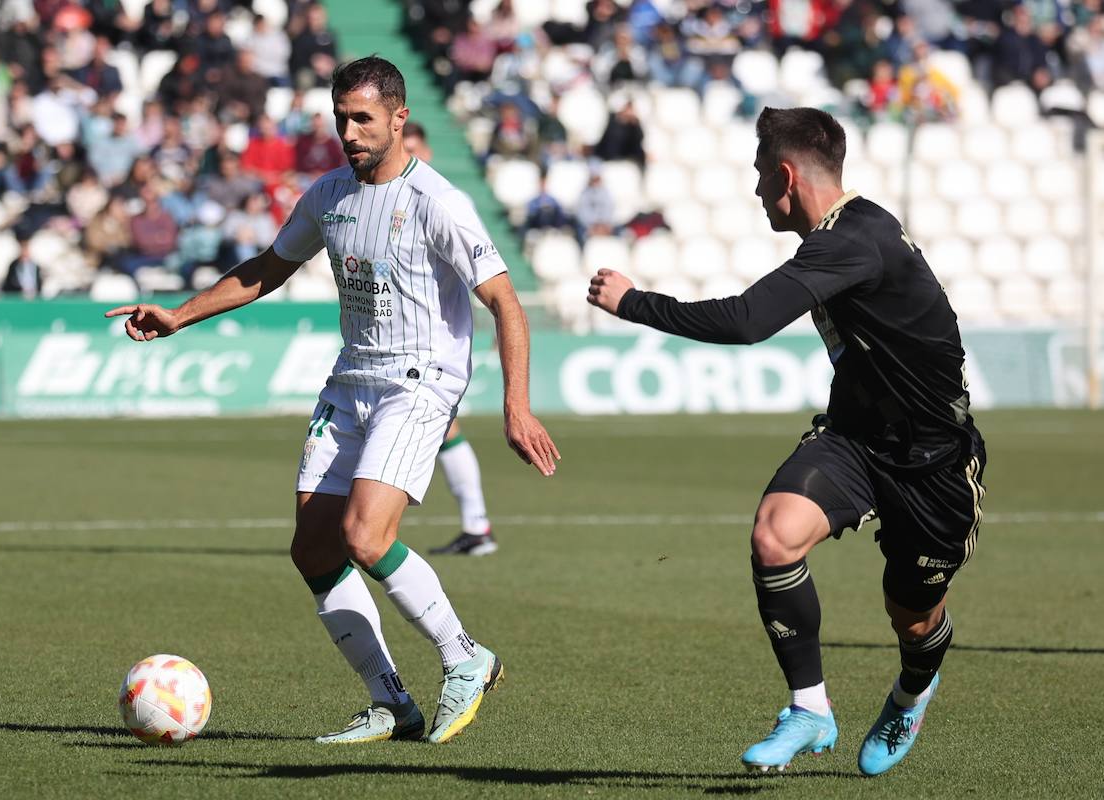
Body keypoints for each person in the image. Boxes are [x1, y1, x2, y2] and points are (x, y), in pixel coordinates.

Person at [106, 57, 558, 744]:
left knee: (365, 536)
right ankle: (390, 701)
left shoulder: (437, 202)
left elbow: (505, 302)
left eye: (363, 119)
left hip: (420, 382)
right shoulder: (328, 196)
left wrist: (516, 406)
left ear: (399, 118)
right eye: (341, 118)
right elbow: (267, 269)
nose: (349, 132)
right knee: (314, 551)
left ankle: (466, 658)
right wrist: (180, 314)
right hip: (352, 383)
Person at [586, 107, 987, 776]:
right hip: (856, 441)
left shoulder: (853, 241)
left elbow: (748, 321)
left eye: (757, 176)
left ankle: (913, 689)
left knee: (912, 619)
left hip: (933, 461)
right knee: (775, 534)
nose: (754, 192)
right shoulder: (844, 235)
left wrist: (633, 302)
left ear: (785, 175)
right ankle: (810, 709)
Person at [403, 120, 499, 555]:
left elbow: (486, 278)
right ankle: (476, 527)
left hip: (434, 345)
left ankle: (477, 526)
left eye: (414, 148)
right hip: (400, 343)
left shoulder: (440, 202)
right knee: (443, 432)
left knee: (441, 430)